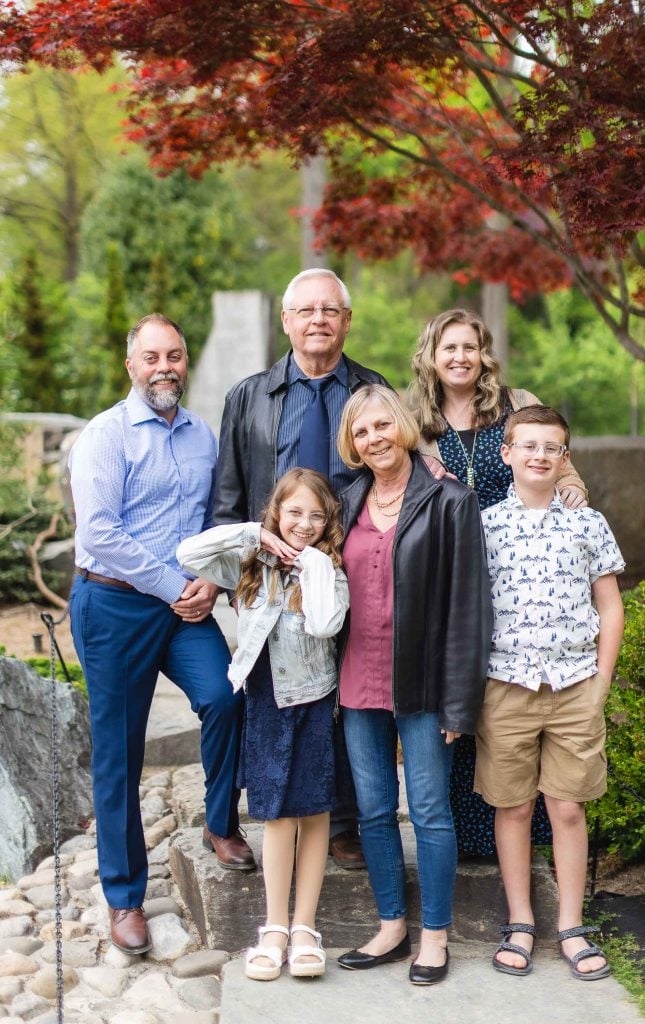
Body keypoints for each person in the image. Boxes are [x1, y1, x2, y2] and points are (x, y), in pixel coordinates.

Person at [69, 313, 253, 956]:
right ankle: (124, 898)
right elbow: (99, 535)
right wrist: (172, 583)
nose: (164, 367)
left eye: (174, 355)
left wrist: (213, 579)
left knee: (227, 697)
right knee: (120, 751)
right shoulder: (105, 437)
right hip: (115, 606)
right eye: (151, 357)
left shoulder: (203, 436)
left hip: (183, 609)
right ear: (131, 365)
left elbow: (215, 522)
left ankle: (220, 824)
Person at [213, 268, 389, 870]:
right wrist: (237, 577)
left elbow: (393, 472)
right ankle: (268, 807)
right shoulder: (248, 397)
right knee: (271, 698)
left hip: (352, 570)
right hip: (270, 579)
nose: (318, 320)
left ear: (346, 321)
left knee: (347, 694)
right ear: (286, 321)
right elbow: (228, 496)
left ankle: (344, 821)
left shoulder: (372, 390)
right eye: (306, 310)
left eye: (330, 310)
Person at [410, 307, 589, 858]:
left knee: (517, 690)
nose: (460, 358)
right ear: (432, 357)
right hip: (454, 572)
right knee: (470, 692)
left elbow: (554, 453)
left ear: (483, 353)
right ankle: (469, 835)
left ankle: (532, 833)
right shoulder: (415, 418)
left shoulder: (515, 403)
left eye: (469, 347)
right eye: (449, 348)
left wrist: (575, 487)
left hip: (522, 570)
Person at [335, 385, 492, 986]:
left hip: (424, 684)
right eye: (361, 432)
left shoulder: (450, 499)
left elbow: (468, 608)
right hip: (357, 680)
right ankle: (391, 926)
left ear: (401, 426)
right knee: (374, 811)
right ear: (352, 443)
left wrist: (460, 699)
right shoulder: (346, 500)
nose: (374, 439)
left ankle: (435, 937)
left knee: (428, 811)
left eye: (381, 425)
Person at [177, 469, 349, 981]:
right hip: (266, 701)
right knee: (275, 814)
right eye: (294, 512)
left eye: (317, 516)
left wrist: (315, 565)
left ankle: (304, 927)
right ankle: (274, 926)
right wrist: (255, 534)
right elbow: (189, 555)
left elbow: (324, 624)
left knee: (314, 810)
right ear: (276, 512)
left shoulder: (330, 569)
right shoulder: (252, 561)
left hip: (314, 701)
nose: (305, 524)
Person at [475, 405, 624, 980]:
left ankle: (570, 923)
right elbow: (470, 612)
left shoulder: (588, 524)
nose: (539, 455)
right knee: (513, 806)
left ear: (565, 457)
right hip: (506, 685)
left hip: (574, 685)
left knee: (566, 806)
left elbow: (609, 606)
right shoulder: (485, 525)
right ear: (507, 453)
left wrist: (600, 684)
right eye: (528, 445)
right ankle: (520, 920)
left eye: (552, 447)